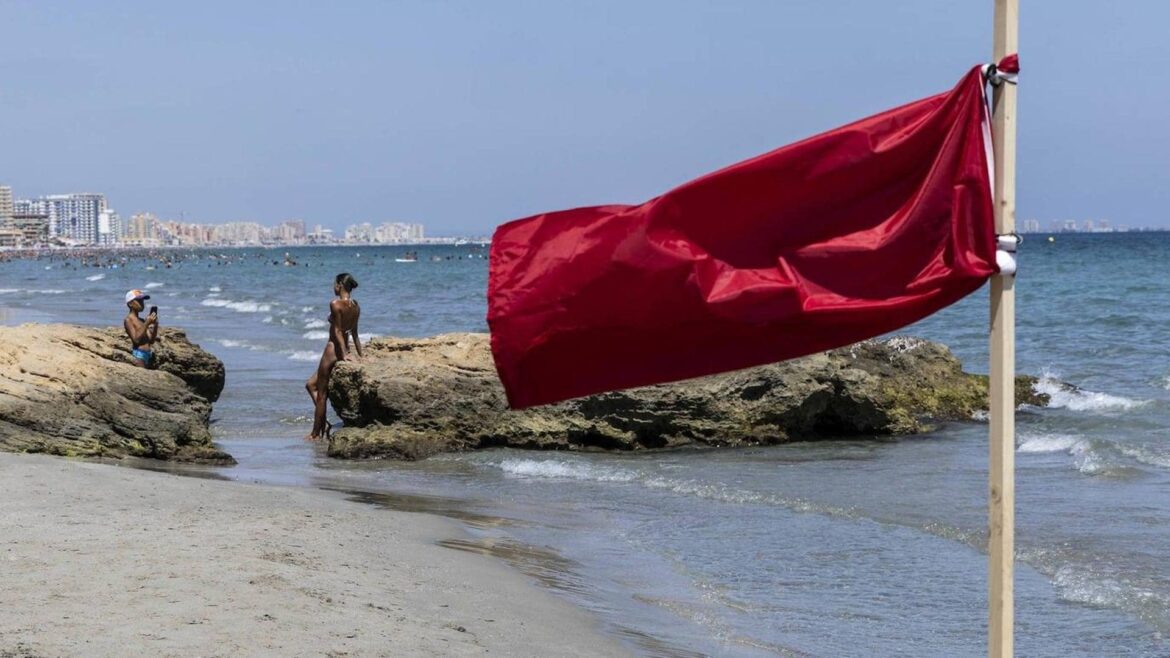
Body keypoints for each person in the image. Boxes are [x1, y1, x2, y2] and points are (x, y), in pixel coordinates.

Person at [305, 273, 363, 440]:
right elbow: (355, 333)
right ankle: (324, 423)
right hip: (343, 347)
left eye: (334, 284)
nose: (333, 287)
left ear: (339, 285)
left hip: (332, 349)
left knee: (321, 394)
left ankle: (316, 434)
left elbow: (337, 331)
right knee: (310, 385)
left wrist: (343, 354)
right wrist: (360, 354)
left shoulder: (335, 303)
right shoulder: (355, 306)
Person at [123, 289, 158, 367]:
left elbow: (151, 341)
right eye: (139, 301)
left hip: (148, 355)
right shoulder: (128, 320)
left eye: (142, 301)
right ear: (130, 304)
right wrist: (146, 323)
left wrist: (155, 325)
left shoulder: (142, 320)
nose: (142, 303)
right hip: (139, 355)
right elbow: (136, 340)